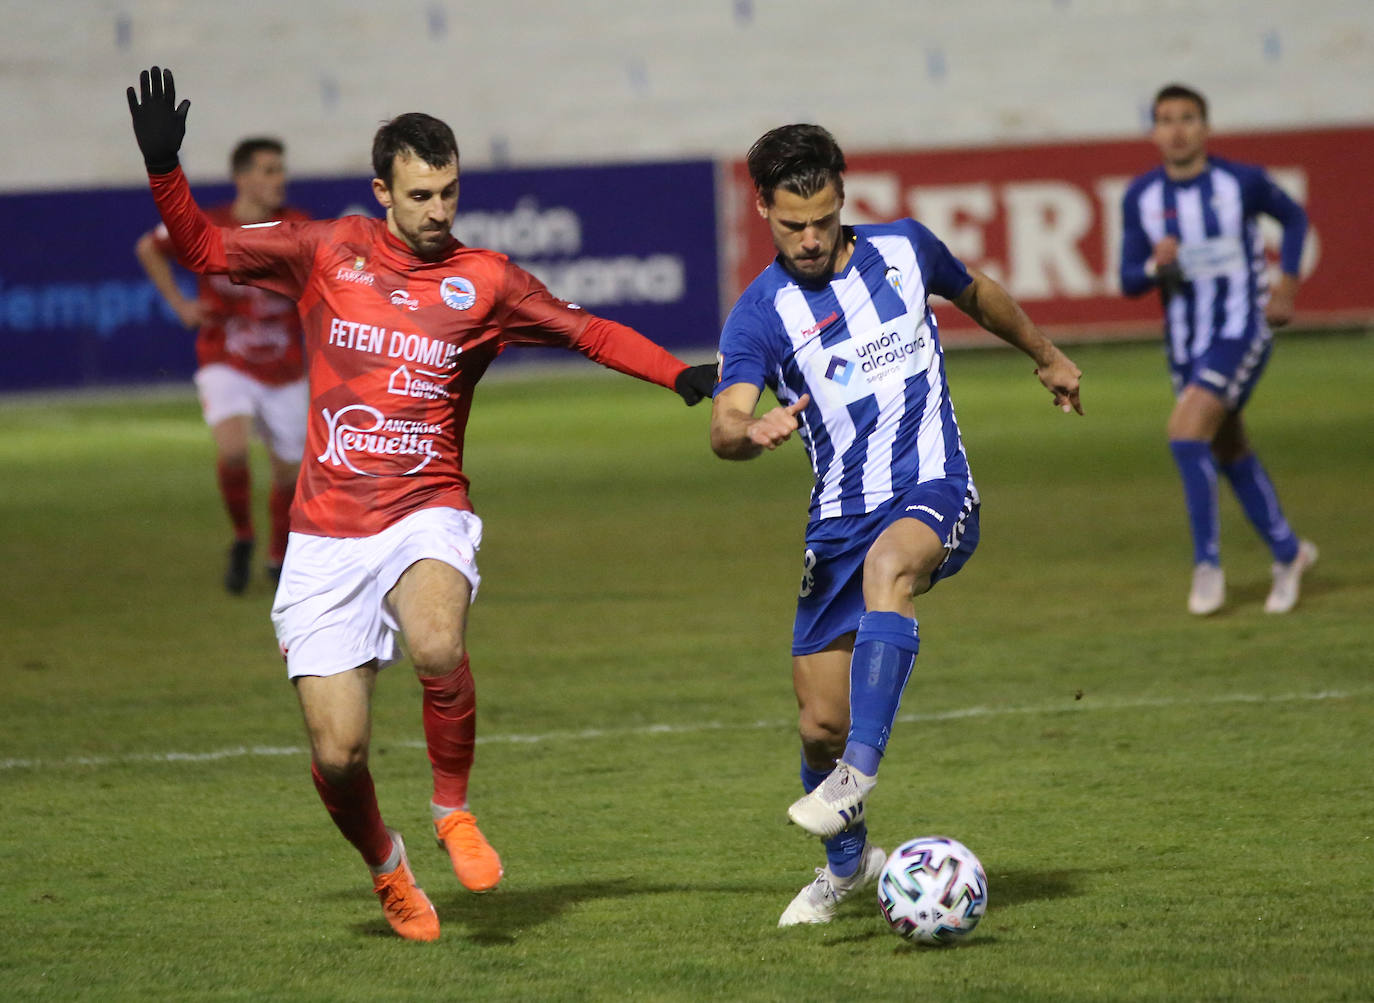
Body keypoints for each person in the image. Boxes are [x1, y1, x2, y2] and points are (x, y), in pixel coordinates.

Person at [126, 67, 717, 942]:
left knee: (439, 640)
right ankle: (389, 867)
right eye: (421, 194)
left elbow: (587, 330)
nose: (440, 210)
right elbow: (208, 253)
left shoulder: (487, 280)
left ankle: (453, 809)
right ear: (382, 192)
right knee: (338, 753)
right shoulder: (325, 248)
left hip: (425, 506)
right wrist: (165, 169)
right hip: (326, 532)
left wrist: (680, 374)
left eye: (449, 191)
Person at [709, 124, 1082, 927]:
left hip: (935, 487)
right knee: (818, 723)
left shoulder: (906, 250)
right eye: (791, 225)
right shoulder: (759, 316)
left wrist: (1045, 353)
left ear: (844, 196)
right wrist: (748, 432)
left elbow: (975, 290)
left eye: (823, 219)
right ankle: (849, 866)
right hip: (835, 524)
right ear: (762, 210)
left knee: (892, 568)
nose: (810, 239)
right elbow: (724, 423)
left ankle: (857, 778)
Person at [1120, 83, 1317, 616]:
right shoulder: (1141, 196)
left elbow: (1294, 219)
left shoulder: (1242, 182)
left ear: (1205, 127)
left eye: (1188, 118)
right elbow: (1128, 279)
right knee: (1227, 447)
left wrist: (1287, 285)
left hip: (1240, 328)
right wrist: (1157, 266)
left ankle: (1207, 565)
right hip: (1185, 344)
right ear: (1154, 131)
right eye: (1166, 119)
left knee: (1186, 434)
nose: (1177, 129)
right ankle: (1288, 551)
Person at [135, 137, 309, 594]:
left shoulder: (297, 227)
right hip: (225, 357)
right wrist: (180, 305)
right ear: (243, 178)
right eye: (269, 170)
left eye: (280, 170)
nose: (279, 179)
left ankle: (278, 556)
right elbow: (149, 247)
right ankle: (242, 537)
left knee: (289, 474)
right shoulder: (209, 224)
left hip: (285, 365)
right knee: (232, 449)